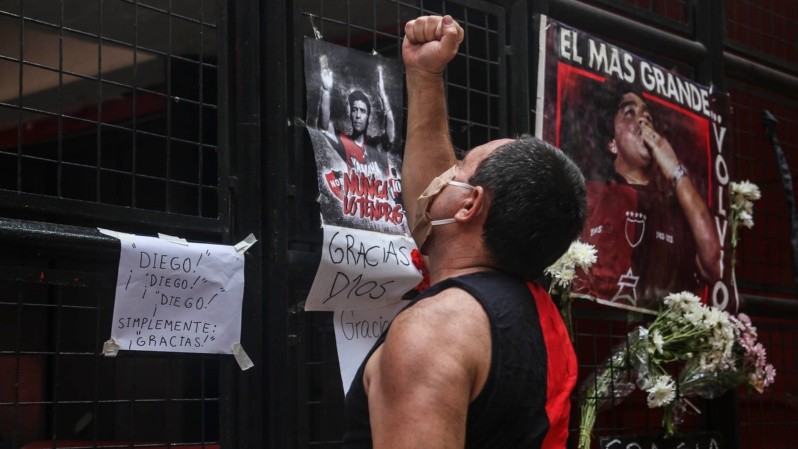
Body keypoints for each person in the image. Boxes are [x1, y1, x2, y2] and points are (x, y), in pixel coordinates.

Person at [343, 15, 588, 449]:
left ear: (470, 205)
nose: (445, 173)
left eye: (458, 168)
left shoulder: (435, 331)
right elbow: (436, 210)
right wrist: (425, 76)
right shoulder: (537, 314)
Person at [571, 82, 721, 307]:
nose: (642, 120)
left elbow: (714, 264)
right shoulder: (591, 194)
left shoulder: (675, 208)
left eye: (647, 117)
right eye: (629, 113)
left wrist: (674, 168)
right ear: (612, 143)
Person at [318, 55, 397, 177]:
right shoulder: (345, 142)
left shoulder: (375, 144)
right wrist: (326, 91)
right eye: (355, 110)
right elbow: (324, 126)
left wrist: (382, 96)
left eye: (362, 111)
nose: (358, 115)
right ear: (350, 114)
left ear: (368, 117)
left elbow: (390, 136)